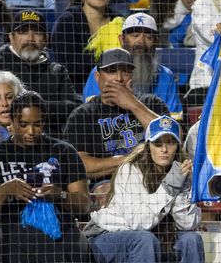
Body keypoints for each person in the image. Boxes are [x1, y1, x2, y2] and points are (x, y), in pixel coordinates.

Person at [0, 91, 92, 263]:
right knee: (35, 243)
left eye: (37, 124)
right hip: (14, 232)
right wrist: (5, 189)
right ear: (11, 122)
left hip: (63, 231)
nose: (31, 132)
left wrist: (60, 195)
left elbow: (84, 205)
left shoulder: (63, 151)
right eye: (23, 125)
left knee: (58, 244)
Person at [84, 116, 205, 263]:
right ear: (148, 145)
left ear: (177, 146)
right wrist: (170, 186)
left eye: (170, 142)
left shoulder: (180, 172)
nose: (164, 149)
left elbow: (188, 223)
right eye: (158, 143)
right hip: (106, 239)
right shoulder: (130, 170)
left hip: (154, 241)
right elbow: (139, 223)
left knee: (191, 240)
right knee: (144, 239)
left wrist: (179, 186)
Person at [0, 9, 79, 135]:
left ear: (46, 39)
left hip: (47, 144)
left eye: (37, 32)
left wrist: (31, 108)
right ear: (11, 37)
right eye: (23, 32)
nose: (30, 38)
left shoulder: (57, 71)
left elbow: (74, 108)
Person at [63, 47, 169, 184]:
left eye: (125, 71)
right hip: (107, 184)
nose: (119, 78)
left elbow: (168, 137)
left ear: (132, 75)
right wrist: (128, 160)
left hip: (153, 178)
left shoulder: (152, 103)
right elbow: (80, 165)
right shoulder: (82, 115)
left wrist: (133, 104)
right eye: (111, 71)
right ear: (97, 77)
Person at [82, 13, 183, 121]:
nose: (141, 42)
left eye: (148, 37)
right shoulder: (103, 72)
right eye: (135, 36)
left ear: (156, 42)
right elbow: (92, 117)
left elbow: (173, 123)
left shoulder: (166, 76)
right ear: (122, 39)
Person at [51, 0, 119, 94]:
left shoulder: (119, 21)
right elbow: (67, 66)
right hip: (75, 91)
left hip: (114, 89)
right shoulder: (66, 22)